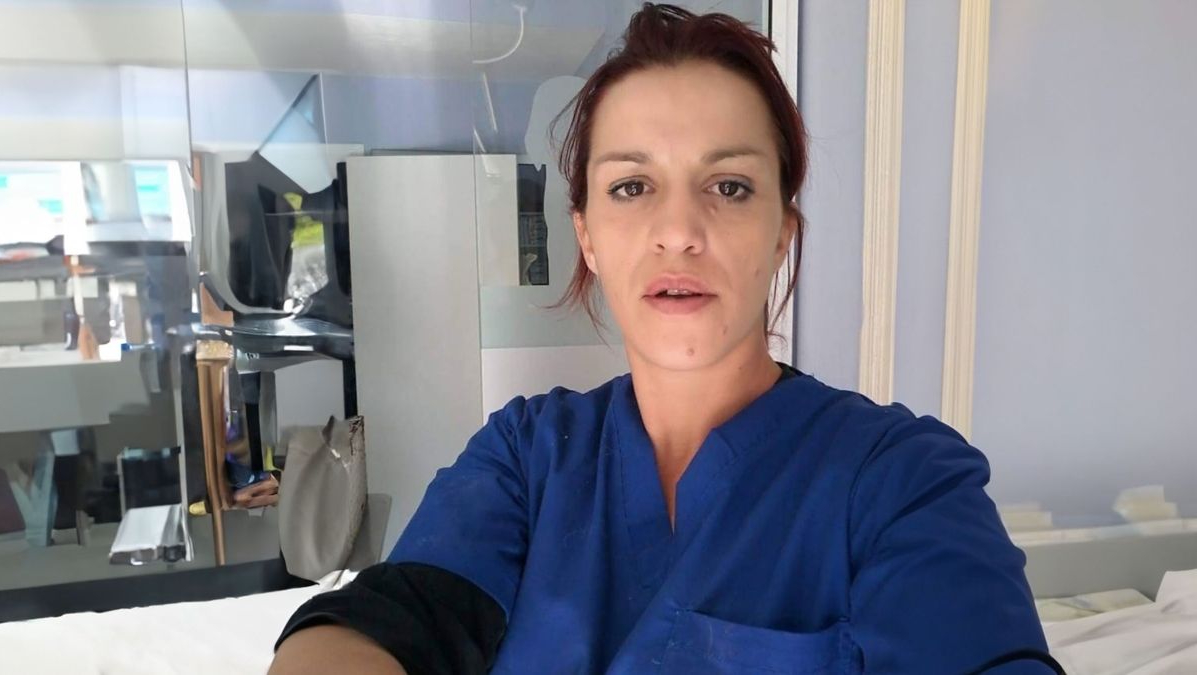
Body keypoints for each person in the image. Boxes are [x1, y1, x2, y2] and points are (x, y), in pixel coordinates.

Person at [269, 4, 1059, 673]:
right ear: (587, 235)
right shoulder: (526, 459)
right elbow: (386, 622)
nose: (678, 230)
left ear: (781, 234)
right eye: (632, 186)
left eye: (730, 186)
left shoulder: (901, 481)